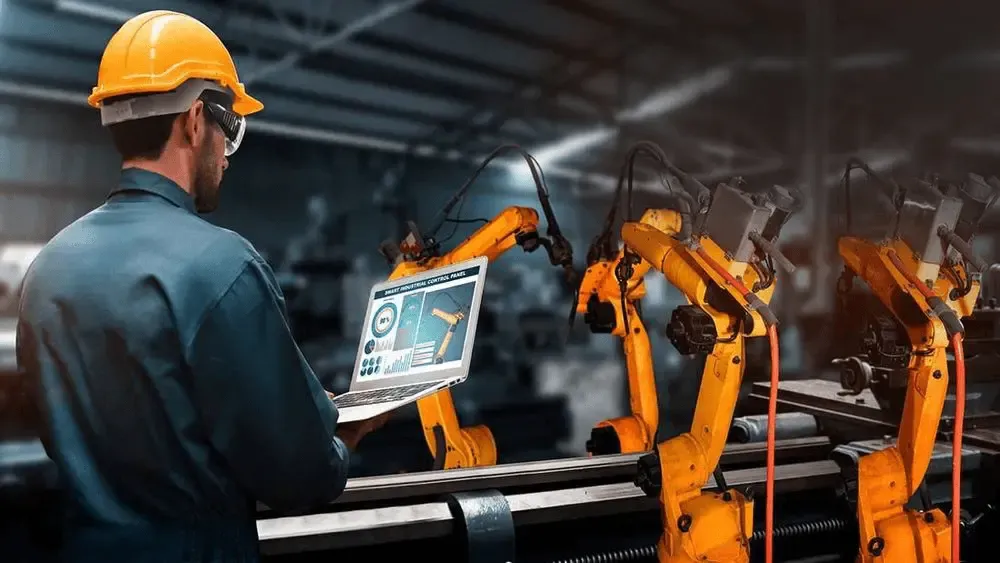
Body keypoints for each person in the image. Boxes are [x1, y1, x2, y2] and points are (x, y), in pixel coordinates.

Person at [15, 10, 389, 563]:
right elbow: (298, 475)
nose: (226, 156)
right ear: (194, 121)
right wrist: (340, 438)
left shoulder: (48, 270)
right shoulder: (220, 266)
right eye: (228, 129)